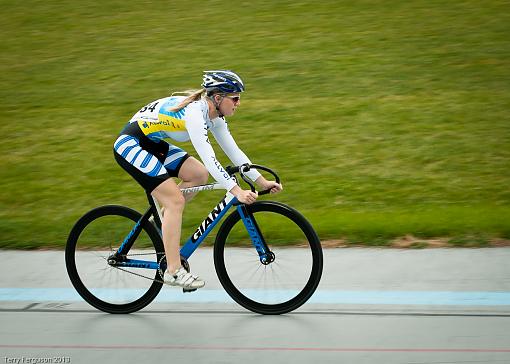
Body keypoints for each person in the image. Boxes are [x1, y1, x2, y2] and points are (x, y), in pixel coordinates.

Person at [113, 70, 282, 290]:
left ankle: (162, 223)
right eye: (236, 98)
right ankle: (173, 271)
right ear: (218, 98)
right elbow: (209, 158)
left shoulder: (214, 116)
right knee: (175, 201)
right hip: (131, 145)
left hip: (152, 143)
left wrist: (262, 182)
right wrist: (235, 190)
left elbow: (234, 152)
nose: (239, 103)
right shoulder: (194, 113)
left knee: (198, 175)